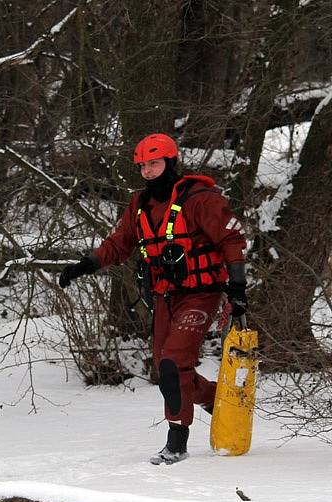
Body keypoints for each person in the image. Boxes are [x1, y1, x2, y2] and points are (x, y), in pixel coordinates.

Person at [58, 133, 248, 465]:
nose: (147, 171)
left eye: (154, 163)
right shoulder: (139, 205)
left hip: (201, 294)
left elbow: (231, 240)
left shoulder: (200, 199)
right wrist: (85, 265)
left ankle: (177, 442)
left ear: (170, 162)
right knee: (167, 369)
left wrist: (238, 287)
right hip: (165, 296)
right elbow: (118, 244)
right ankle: (218, 397)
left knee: (174, 360)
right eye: (143, 165)